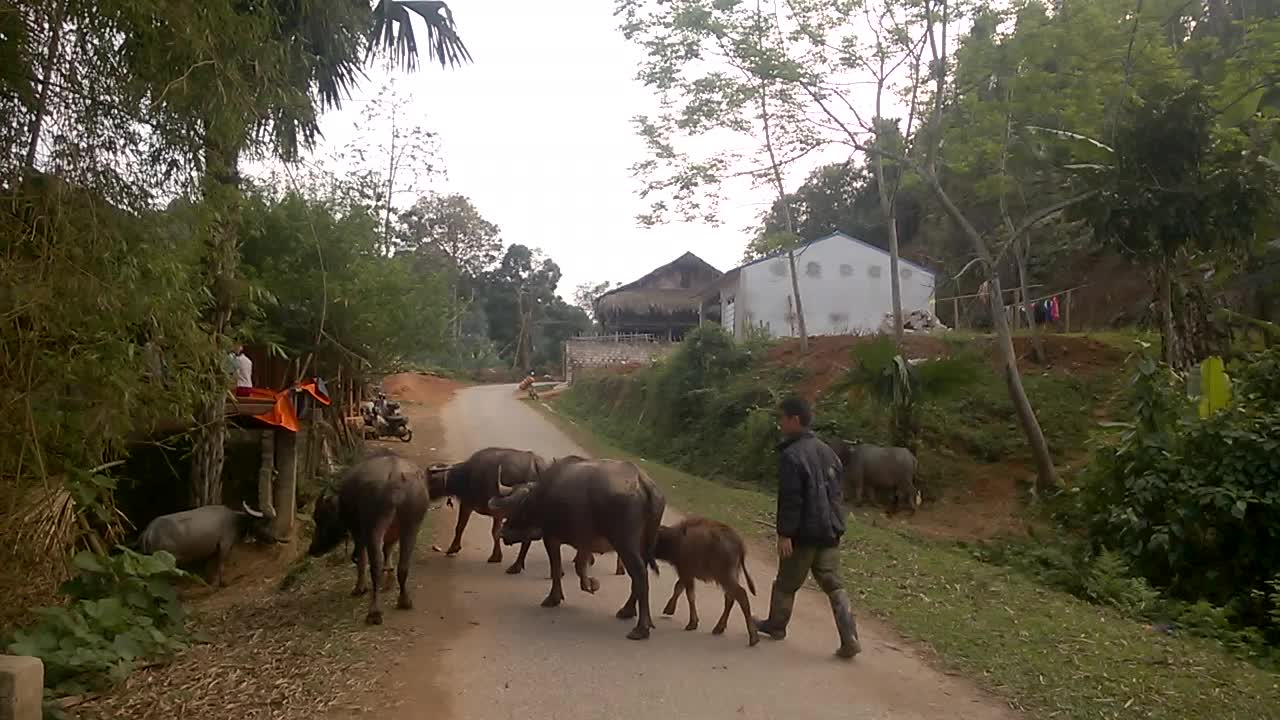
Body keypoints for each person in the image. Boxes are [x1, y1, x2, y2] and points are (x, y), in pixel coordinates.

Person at [754, 395, 861, 659]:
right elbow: (836, 493)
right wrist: (837, 526)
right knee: (834, 584)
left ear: (795, 420)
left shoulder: (791, 456)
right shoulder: (827, 451)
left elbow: (791, 498)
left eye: (782, 418)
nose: (780, 424)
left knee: (786, 583)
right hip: (830, 531)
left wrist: (785, 533)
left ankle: (776, 626)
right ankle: (850, 638)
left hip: (803, 534)